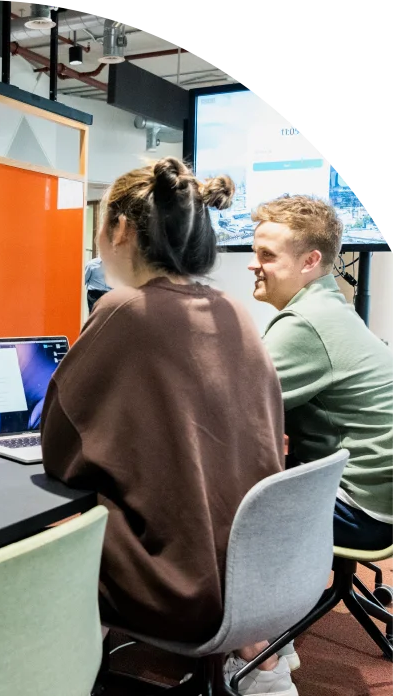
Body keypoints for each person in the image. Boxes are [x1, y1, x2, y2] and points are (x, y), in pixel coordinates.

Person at [40, 157, 298, 696]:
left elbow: (59, 449)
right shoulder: (233, 310)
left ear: (120, 230)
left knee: (49, 543)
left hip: (182, 585)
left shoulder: (125, 309)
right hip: (255, 572)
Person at [244, 194, 393, 676]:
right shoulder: (331, 308)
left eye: (267, 255)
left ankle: (258, 655)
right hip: (377, 495)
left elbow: (228, 412)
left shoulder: (305, 324)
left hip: (361, 511)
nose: (253, 264)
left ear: (310, 261)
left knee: (218, 501)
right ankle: (273, 626)